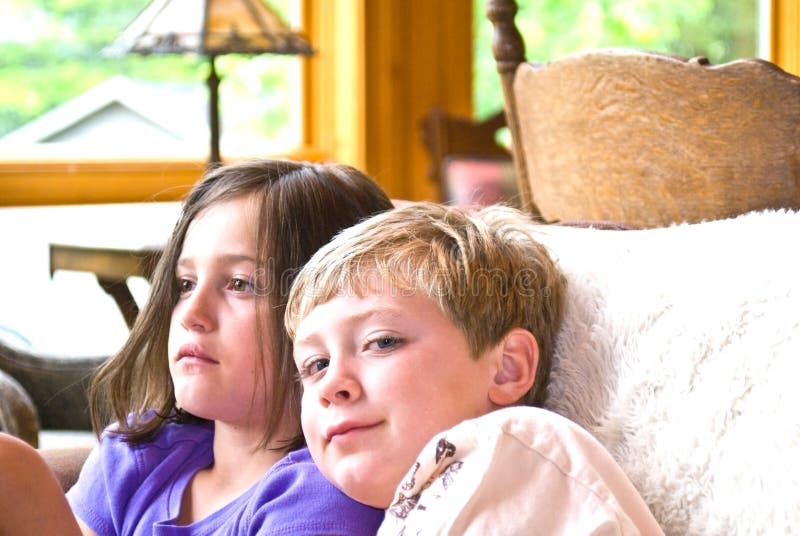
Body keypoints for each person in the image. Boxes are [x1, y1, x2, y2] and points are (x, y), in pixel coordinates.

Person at [0, 159, 393, 535]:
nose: (192, 313)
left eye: (240, 284)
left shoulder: (321, 501)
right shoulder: (137, 456)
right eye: (185, 284)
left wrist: (28, 487)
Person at [285, 202, 664, 534]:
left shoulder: (510, 452)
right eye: (316, 364)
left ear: (507, 369)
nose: (331, 383)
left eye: (382, 342)